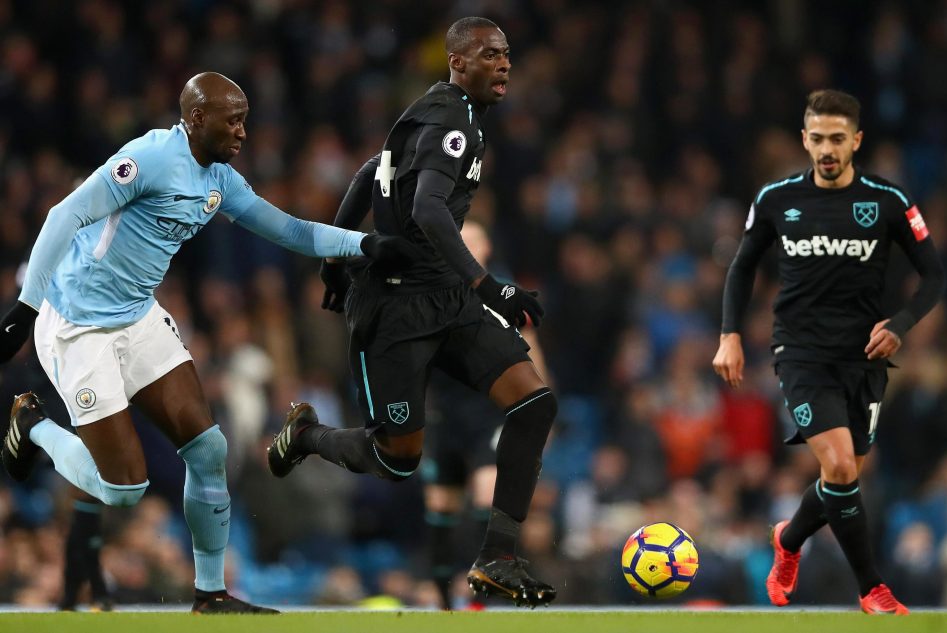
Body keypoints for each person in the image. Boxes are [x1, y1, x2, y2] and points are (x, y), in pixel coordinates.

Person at [0, 72, 415, 614]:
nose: (243, 131)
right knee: (123, 490)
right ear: (196, 118)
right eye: (233, 119)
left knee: (209, 449)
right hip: (76, 323)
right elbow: (65, 214)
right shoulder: (148, 157)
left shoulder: (220, 179)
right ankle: (32, 428)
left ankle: (210, 593)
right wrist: (25, 309)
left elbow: (291, 231)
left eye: (245, 118)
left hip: (137, 317)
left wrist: (368, 244)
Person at [267, 17, 558, 608]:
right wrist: (489, 284)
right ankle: (306, 433)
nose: (504, 64)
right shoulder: (452, 118)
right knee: (396, 460)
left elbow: (366, 175)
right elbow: (427, 209)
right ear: (457, 61)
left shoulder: (434, 112)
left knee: (533, 402)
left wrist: (334, 253)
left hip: (445, 298)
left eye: (507, 55)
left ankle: (498, 556)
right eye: (490, 55)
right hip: (396, 309)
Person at [712, 89, 945, 615]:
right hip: (801, 353)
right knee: (839, 466)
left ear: (856, 141)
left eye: (837, 139)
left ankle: (788, 540)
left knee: (844, 477)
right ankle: (872, 587)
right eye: (817, 138)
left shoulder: (888, 201)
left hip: (865, 356)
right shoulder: (776, 198)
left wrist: (902, 323)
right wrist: (729, 334)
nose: (826, 149)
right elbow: (742, 266)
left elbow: (934, 275)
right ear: (804, 139)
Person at [421, 220, 552, 610]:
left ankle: (481, 600)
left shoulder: (500, 294)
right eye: (460, 240)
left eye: (472, 239)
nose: (465, 245)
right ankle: (445, 604)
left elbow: (530, 347)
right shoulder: (432, 290)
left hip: (489, 412)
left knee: (486, 491)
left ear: (487, 247)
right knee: (441, 507)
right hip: (446, 414)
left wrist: (537, 408)